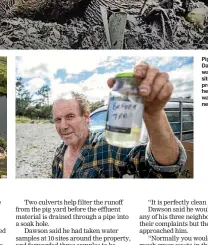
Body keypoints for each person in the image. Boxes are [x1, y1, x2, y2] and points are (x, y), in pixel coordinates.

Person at [51, 62, 187, 178]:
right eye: (58, 119)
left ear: (86, 117)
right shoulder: (59, 152)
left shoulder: (107, 147)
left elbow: (163, 170)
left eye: (70, 117)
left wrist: (154, 115)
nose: (63, 126)